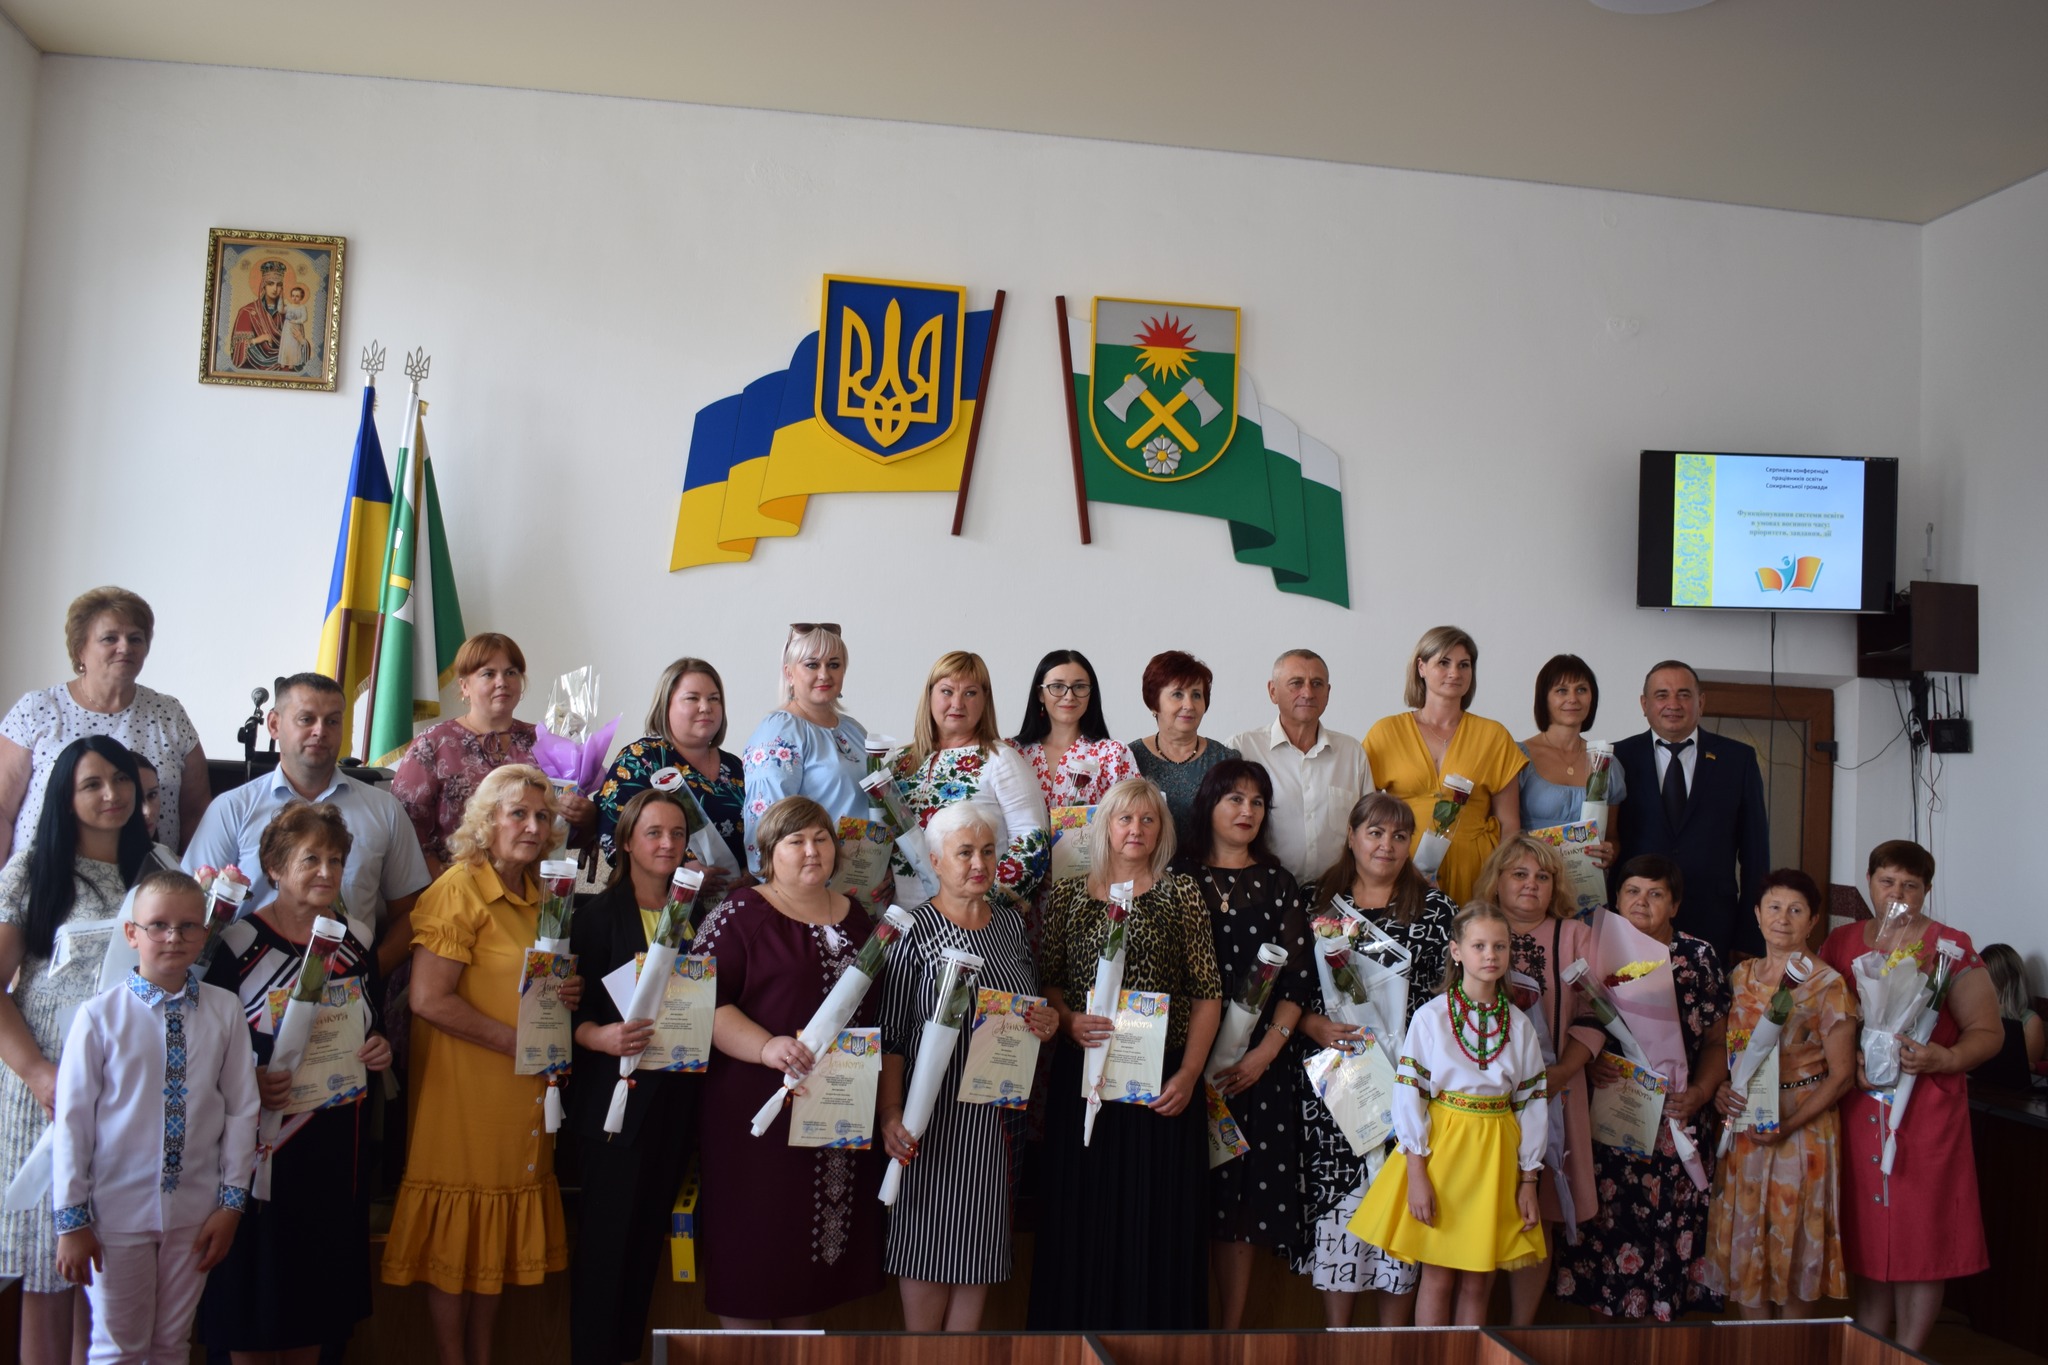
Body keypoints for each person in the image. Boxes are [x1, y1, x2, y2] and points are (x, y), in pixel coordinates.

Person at [381, 765, 582, 1365]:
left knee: (491, 1240)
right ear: (486, 820)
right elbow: (428, 1000)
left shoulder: (544, 897)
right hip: (465, 1093)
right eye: (517, 813)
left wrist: (563, 995)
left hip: (521, 1094)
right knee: (459, 1234)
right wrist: (522, 1045)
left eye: (542, 816)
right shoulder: (458, 889)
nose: (533, 826)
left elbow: (529, 987)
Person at [197, 802, 391, 1364]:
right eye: (311, 859)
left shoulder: (354, 944)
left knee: (315, 1306)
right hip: (258, 1153)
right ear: (275, 868)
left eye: (336, 860)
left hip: (331, 1150)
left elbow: (369, 1022)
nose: (327, 872)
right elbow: (205, 1046)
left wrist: (378, 1047)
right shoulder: (235, 945)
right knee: (254, 1308)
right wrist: (249, 1079)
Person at [1027, 777, 1222, 1330]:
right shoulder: (1068, 895)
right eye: (1125, 819)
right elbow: (1051, 983)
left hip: (1162, 1083)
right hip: (1085, 1076)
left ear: (1162, 831)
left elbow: (1208, 993)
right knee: (1082, 1216)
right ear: (1105, 828)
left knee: (1157, 1220)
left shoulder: (1181, 894)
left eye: (1148, 819)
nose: (1136, 829)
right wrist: (1068, 1021)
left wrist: (1190, 1073)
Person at [52, 869, 260, 1364]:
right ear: (132, 933)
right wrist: (71, 1221)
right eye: (158, 925)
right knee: (117, 1348)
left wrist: (231, 1205)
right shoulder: (99, 1016)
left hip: (196, 1212)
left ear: (204, 934)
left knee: (171, 1344)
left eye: (188, 926)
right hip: (115, 1214)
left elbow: (241, 1109)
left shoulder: (225, 1010)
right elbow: (73, 1124)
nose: (173, 937)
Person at [693, 797, 886, 1327]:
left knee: (811, 1266)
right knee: (757, 1244)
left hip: (836, 1110)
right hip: (757, 1113)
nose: (811, 850)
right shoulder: (741, 913)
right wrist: (766, 1046)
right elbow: (700, 1002)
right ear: (767, 853)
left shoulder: (858, 917)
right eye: (795, 841)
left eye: (821, 839)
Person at [0, 737, 152, 1365]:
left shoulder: (158, 870)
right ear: (64, 797)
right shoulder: (33, 870)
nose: (112, 794)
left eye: (121, 779)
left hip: (126, 1089)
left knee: (107, 1267)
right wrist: (40, 1073)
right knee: (51, 1267)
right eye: (92, 783)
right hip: (47, 1082)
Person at [877, 803, 1057, 1332]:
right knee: (927, 1246)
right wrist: (891, 1114)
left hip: (997, 1119)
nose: (979, 864)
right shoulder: (911, 931)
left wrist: (1044, 1021)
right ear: (935, 860)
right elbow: (892, 1035)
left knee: (980, 1250)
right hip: (930, 1119)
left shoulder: (1010, 924)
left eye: (987, 851)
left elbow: (1028, 1005)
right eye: (964, 853)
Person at [1820, 840, 1998, 1351]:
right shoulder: (1842, 941)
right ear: (1869, 882)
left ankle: (1910, 1353)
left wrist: (1945, 1058)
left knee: (1922, 1236)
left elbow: (1988, 1033)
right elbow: (1822, 1023)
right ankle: (1872, 1347)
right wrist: (1847, 1058)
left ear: (1926, 891)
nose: (1897, 893)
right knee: (1871, 1236)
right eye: (1887, 881)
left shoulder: (1950, 946)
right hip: (1860, 1108)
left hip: (1926, 1112)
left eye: (1910, 885)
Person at [1297, 791, 1458, 1327]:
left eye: (1399, 835)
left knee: (1401, 1208)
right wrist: (1314, 1026)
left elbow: (1447, 998)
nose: (1386, 845)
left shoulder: (1436, 909)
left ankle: (1392, 1345)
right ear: (1351, 836)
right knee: (1340, 1213)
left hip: (1410, 1084)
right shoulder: (1314, 901)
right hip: (1336, 1081)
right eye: (1375, 832)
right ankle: (1339, 1342)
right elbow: (1291, 989)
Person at [1347, 902, 1548, 1327]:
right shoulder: (1432, 1017)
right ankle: (1432, 1354)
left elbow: (1531, 1103)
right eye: (1479, 945)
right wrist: (1416, 1174)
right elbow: (1409, 1095)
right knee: (1437, 1275)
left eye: (1500, 946)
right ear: (1456, 951)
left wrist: (1528, 1180)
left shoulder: (1519, 1025)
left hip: (1495, 1156)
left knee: (1477, 1280)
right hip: (1443, 1153)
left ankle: (1466, 1353)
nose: (1490, 955)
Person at [1555, 855, 1730, 1322]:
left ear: (1675, 904)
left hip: (1678, 1116)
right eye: (1632, 891)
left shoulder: (1698, 957)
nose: (1641, 902)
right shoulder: (1596, 951)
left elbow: (1718, 1041)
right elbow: (1576, 1025)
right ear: (1616, 898)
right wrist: (1590, 1063)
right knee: (1609, 1236)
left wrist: (1700, 1092)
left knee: (1671, 1234)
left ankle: (1663, 1337)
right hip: (1614, 1119)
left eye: (1655, 894)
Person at [568, 789, 702, 1365]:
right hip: (614, 1107)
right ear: (626, 841)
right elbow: (561, 1012)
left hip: (676, 1102)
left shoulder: (695, 917)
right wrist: (597, 1037)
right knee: (606, 1249)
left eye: (677, 833)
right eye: (654, 832)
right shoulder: (596, 916)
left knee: (646, 1242)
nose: (667, 843)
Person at [1178, 760, 1314, 1329]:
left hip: (1258, 1070)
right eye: (1235, 799)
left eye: (1258, 802)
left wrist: (1265, 1054)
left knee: (1243, 1207)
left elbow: (1299, 982)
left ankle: (1230, 1336)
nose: (1247, 811)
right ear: (1208, 805)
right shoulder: (1177, 876)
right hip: (1183, 1064)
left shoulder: (1279, 884)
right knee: (1186, 1195)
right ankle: (1184, 1329)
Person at [183, 673, 431, 978]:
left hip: (346, 990)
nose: (320, 731)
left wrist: (368, 973)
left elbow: (411, 911)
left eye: (332, 721)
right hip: (243, 989)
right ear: (274, 725)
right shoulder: (233, 809)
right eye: (306, 719)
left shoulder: (384, 810)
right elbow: (189, 905)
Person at [1705, 869, 1855, 1320]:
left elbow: (1842, 1076)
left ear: (1813, 921)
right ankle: (1755, 1349)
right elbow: (1726, 1052)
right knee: (1746, 1245)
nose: (1783, 919)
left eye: (1796, 910)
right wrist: (1721, 1090)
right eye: (1774, 907)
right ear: (1756, 914)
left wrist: (1788, 1125)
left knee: (1792, 1245)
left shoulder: (1829, 984)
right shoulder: (1740, 975)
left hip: (1802, 1131)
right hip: (1747, 1127)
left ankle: (1788, 1349)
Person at [1473, 834, 1600, 1324]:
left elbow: (1595, 1015)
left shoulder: (1576, 936)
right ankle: (1475, 1330)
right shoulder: (1475, 929)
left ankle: (1520, 1331)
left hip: (1556, 1093)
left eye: (1542, 877)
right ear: (1497, 881)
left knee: (1537, 1213)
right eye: (1520, 874)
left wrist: (1560, 1074)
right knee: (1482, 1211)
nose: (1531, 884)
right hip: (1481, 1104)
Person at [0, 586, 209, 860]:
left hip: (150, 878)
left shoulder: (169, 713)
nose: (125, 647)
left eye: (135, 638)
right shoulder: (37, 709)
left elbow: (197, 813)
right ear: (80, 650)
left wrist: (188, 877)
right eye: (110, 638)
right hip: (45, 876)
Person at [392, 633, 597, 878]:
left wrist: (586, 817)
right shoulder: (432, 744)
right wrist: (445, 888)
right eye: (489, 674)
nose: (502, 682)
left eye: (511, 673)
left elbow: (560, 834)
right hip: (452, 888)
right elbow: (405, 832)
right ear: (464, 686)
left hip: (528, 888)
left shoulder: (546, 742)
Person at [1613, 661, 1771, 961]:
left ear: (1701, 702)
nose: (1673, 704)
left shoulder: (1738, 759)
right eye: (1662, 695)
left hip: (1714, 922)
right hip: (1635, 923)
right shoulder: (1617, 757)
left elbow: (1756, 853)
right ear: (1644, 704)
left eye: (1684, 694)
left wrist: (1750, 934)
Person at [1366, 627, 1525, 904]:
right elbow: (1363, 814)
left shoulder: (1494, 735)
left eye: (1464, 665)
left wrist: (1501, 878)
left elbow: (1509, 823)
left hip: (1477, 871)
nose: (1455, 673)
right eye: (1444, 662)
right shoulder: (1386, 732)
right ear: (1421, 667)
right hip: (1403, 870)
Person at [888, 651, 1050, 911]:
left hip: (975, 920)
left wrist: (979, 904)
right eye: (947, 691)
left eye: (970, 693)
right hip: (904, 919)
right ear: (930, 695)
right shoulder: (900, 763)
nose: (957, 703)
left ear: (985, 700)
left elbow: (1033, 846)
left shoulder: (1001, 760)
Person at [739, 625, 874, 890]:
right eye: (812, 665)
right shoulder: (779, 732)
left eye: (834, 664)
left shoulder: (855, 730)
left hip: (863, 883)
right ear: (789, 673)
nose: (824, 674)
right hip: (809, 889)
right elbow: (765, 825)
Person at [1228, 649, 1368, 884]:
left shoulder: (1352, 753)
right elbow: (1223, 827)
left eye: (1317, 684)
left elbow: (1368, 827)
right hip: (1262, 893)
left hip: (1336, 894)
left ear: (1328, 692)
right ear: (1273, 691)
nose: (1308, 693)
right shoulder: (1242, 749)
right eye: (1296, 683)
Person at [595, 656, 747, 871]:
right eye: (692, 698)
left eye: (714, 698)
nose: (706, 707)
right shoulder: (640, 760)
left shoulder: (738, 768)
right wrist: (679, 872)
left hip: (738, 890)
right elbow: (613, 837)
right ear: (666, 706)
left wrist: (754, 872)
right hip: (659, 890)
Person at [1518, 654, 1625, 870]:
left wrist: (1609, 852)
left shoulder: (1606, 762)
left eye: (1581, 690)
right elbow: (1503, 831)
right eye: (1561, 690)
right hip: (1531, 878)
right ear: (1544, 698)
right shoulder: (1518, 756)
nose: (1573, 698)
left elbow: (1612, 837)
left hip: (1587, 883)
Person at [1128, 650, 1239, 852]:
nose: (1189, 705)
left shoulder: (1226, 760)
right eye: (1177, 694)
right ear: (1154, 703)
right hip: (1147, 869)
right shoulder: (1128, 758)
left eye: (1196, 695)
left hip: (1210, 868)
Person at [1006, 649, 1138, 810]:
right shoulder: (1011, 752)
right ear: (1040, 693)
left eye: (1080, 686)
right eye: (1057, 686)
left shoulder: (1114, 755)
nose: (1069, 696)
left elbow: (1134, 814)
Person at [1973, 943, 2045, 1084]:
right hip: (1977, 1082)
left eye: (1984, 976)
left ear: (2004, 980)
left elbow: (2024, 1071)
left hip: (2007, 1091)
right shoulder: (1975, 1011)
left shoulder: (2030, 1021)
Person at [231, 257, 289, 368]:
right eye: (270, 284)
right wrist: (258, 339)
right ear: (263, 285)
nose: (275, 288)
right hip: (255, 363)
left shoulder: (287, 312)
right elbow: (238, 347)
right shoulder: (247, 312)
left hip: (284, 361)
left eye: (279, 285)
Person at [278, 283, 310, 372]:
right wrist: (281, 298)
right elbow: (280, 310)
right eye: (293, 296)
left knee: (294, 345)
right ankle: (284, 361)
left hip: (297, 328)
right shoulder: (288, 306)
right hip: (287, 328)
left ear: (301, 297)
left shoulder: (302, 307)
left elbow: (304, 318)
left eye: (297, 296)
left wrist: (295, 321)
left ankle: (292, 362)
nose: (294, 298)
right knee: (287, 344)